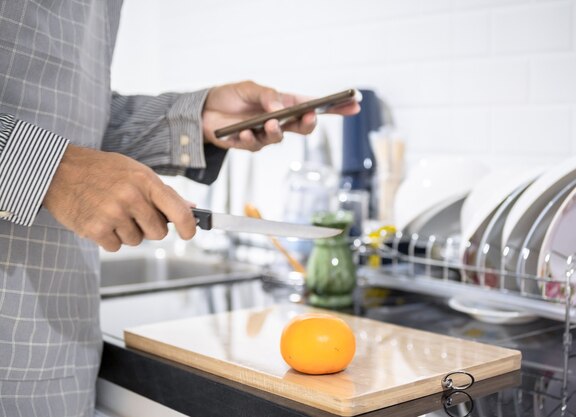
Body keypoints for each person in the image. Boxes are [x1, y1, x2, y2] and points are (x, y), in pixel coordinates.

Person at [0, 2, 360, 416]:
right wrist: (53, 170)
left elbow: (71, 124)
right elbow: (61, 153)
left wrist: (195, 119)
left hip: (56, 353)